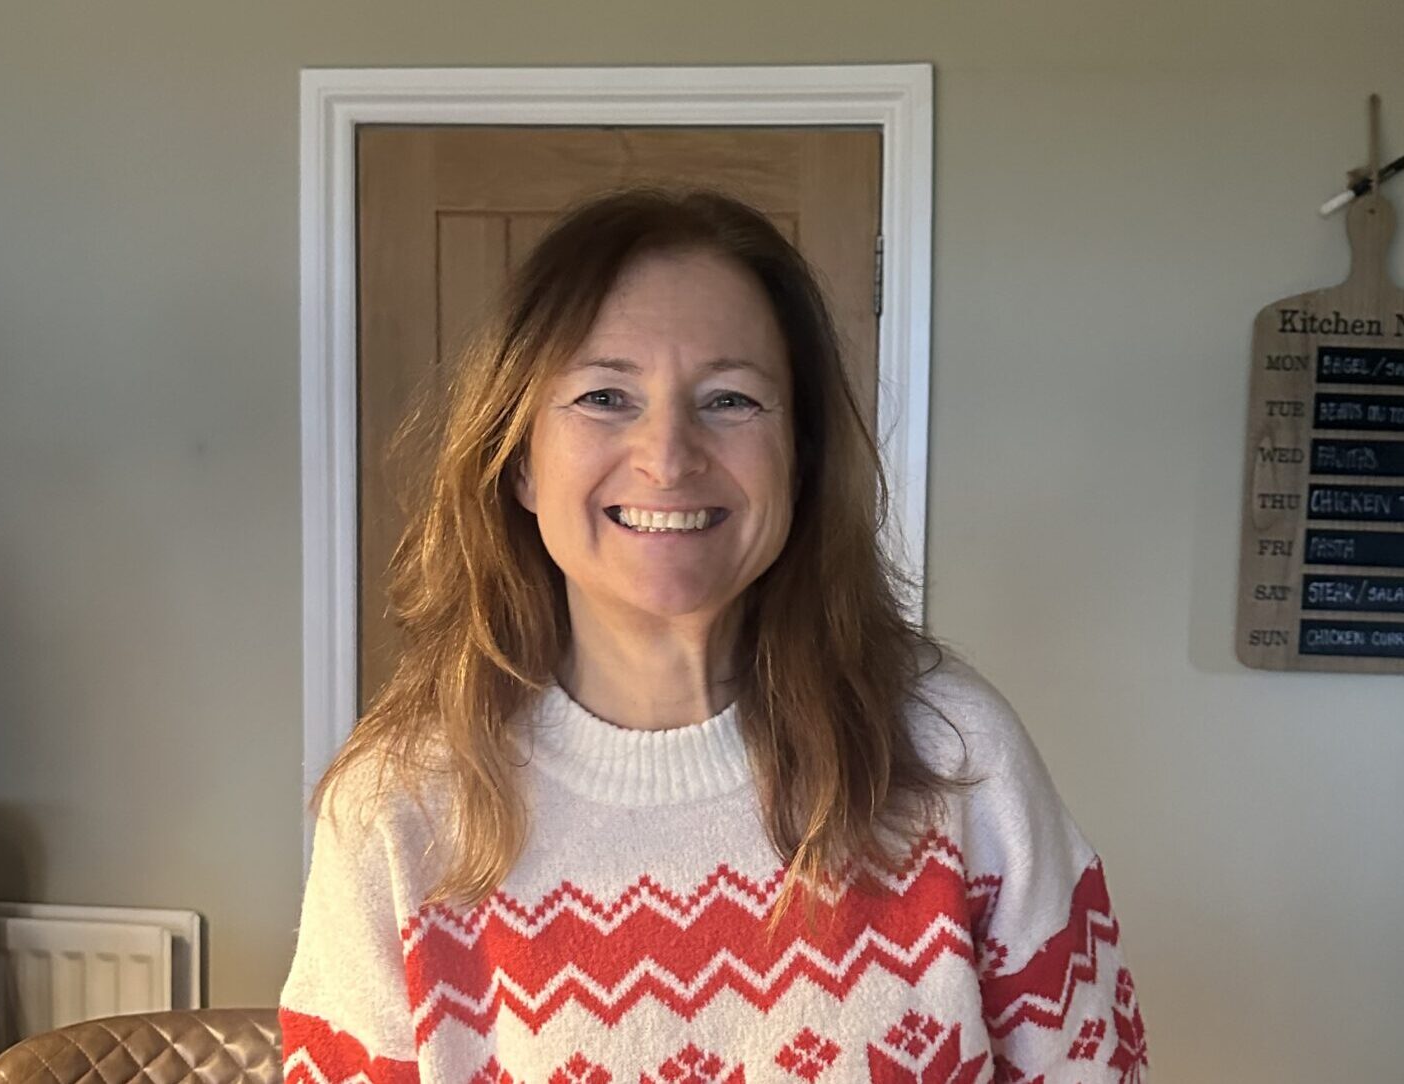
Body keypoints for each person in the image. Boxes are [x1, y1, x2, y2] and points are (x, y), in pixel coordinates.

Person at [279, 188, 1148, 1084]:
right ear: (521, 460)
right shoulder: (399, 807)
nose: (669, 455)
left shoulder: (957, 756)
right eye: (606, 395)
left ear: (802, 459)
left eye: (731, 400)